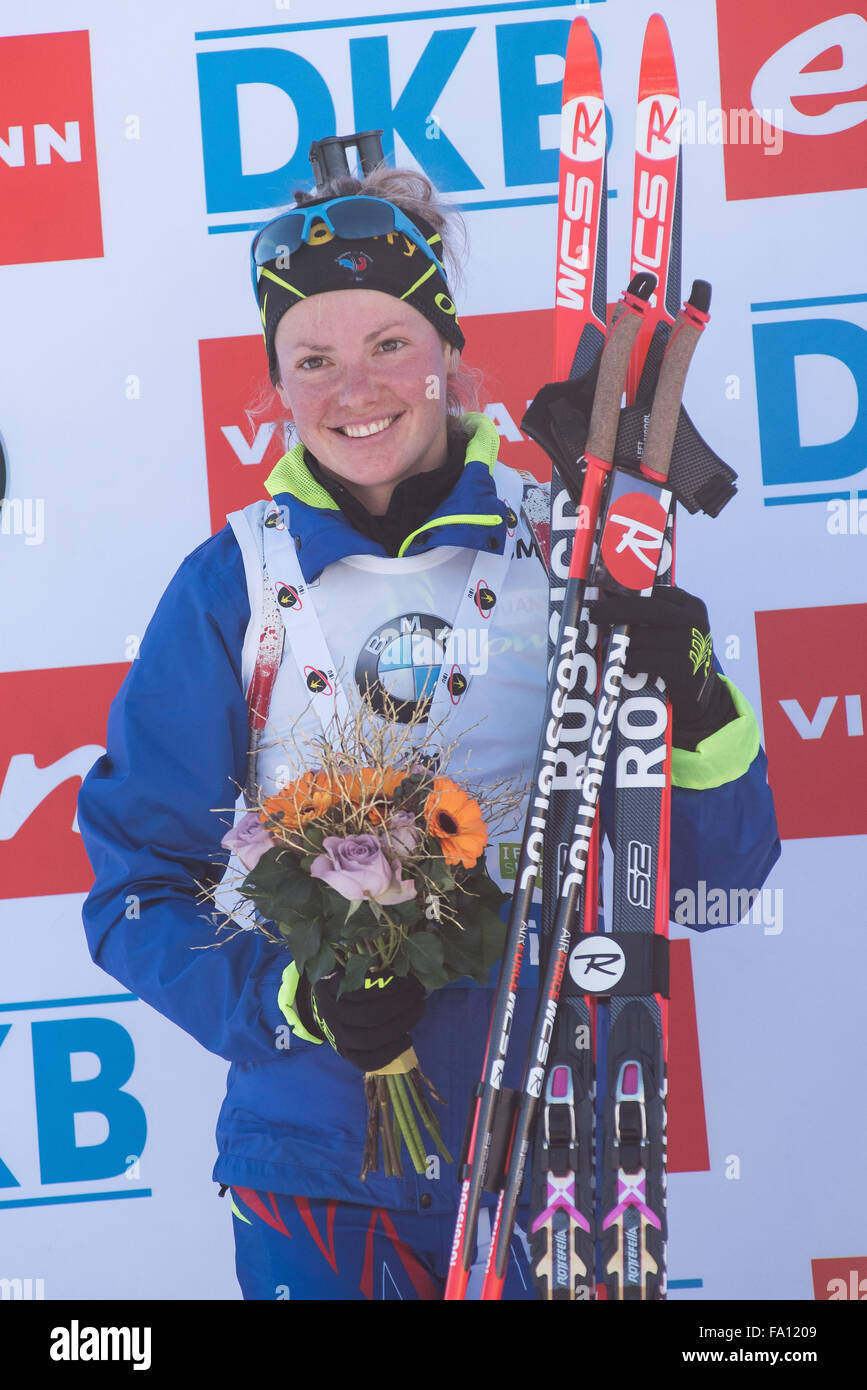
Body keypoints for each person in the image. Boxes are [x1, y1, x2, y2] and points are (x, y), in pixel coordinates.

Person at [78, 160, 780, 1301]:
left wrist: (690, 694)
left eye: (389, 345)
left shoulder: (570, 549)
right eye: (313, 360)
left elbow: (710, 880)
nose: (355, 388)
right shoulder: (233, 585)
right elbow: (137, 889)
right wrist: (295, 995)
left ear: (446, 348)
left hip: (558, 1158)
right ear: (278, 385)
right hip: (318, 1166)